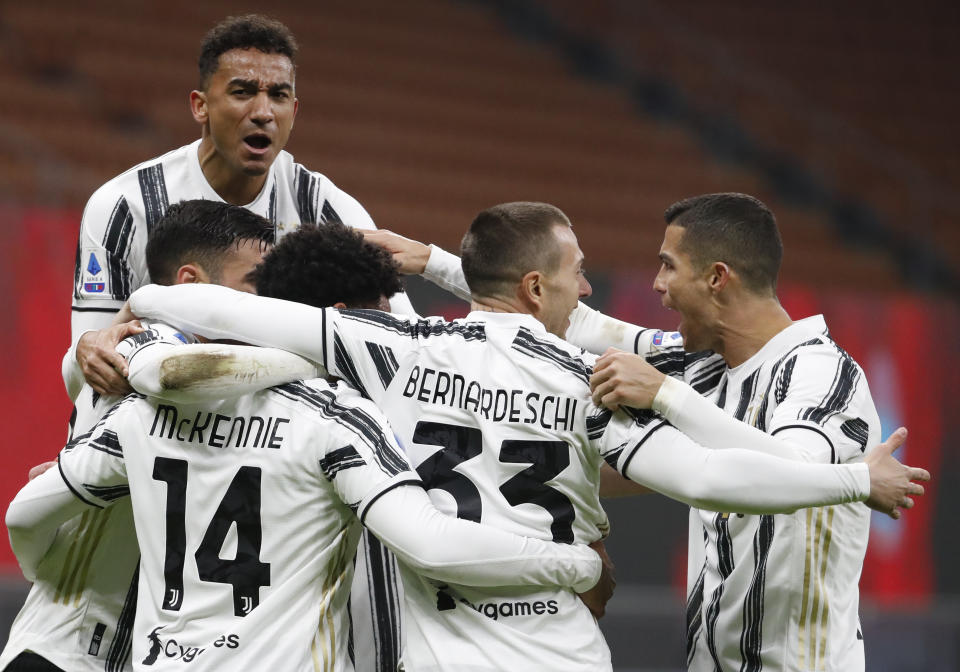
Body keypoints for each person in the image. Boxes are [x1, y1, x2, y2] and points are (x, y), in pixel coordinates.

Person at [120, 201, 927, 671]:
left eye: (665, 268)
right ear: (541, 285)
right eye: (581, 268)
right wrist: (860, 480)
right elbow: (709, 478)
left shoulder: (400, 354)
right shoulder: (600, 385)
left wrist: (141, 322)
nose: (638, 285)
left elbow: (235, 314)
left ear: (717, 278)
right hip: (566, 652)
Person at [389, 194, 909, 671]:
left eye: (668, 265)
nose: (656, 284)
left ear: (717, 278)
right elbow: (574, 318)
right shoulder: (708, 363)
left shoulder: (821, 372)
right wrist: (432, 262)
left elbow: (798, 473)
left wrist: (665, 395)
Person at [66, 15, 416, 670]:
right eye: (242, 91)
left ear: (294, 108)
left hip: (282, 471)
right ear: (200, 105)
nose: (263, 112)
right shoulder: (124, 207)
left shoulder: (329, 213)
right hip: (160, 458)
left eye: (278, 95)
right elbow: (92, 359)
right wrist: (79, 451)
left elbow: (392, 352)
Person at [6, 360, 608, 672]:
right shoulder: (332, 416)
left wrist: (43, 571)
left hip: (109, 653)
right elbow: (430, 544)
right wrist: (578, 563)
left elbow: (25, 516)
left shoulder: (130, 397)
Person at [1, 201, 276, 672]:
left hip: (147, 653)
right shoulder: (142, 356)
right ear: (190, 286)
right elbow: (24, 518)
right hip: (67, 650)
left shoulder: (106, 347)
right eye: (255, 285)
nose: (271, 303)